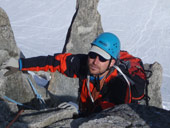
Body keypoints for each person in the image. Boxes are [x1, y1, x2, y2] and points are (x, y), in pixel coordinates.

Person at [4, 32, 146, 116]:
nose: (95, 61)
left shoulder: (119, 84)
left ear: (112, 63)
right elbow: (54, 62)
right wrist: (20, 64)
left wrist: (79, 113)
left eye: (102, 58)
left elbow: (105, 116)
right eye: (92, 55)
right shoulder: (86, 64)